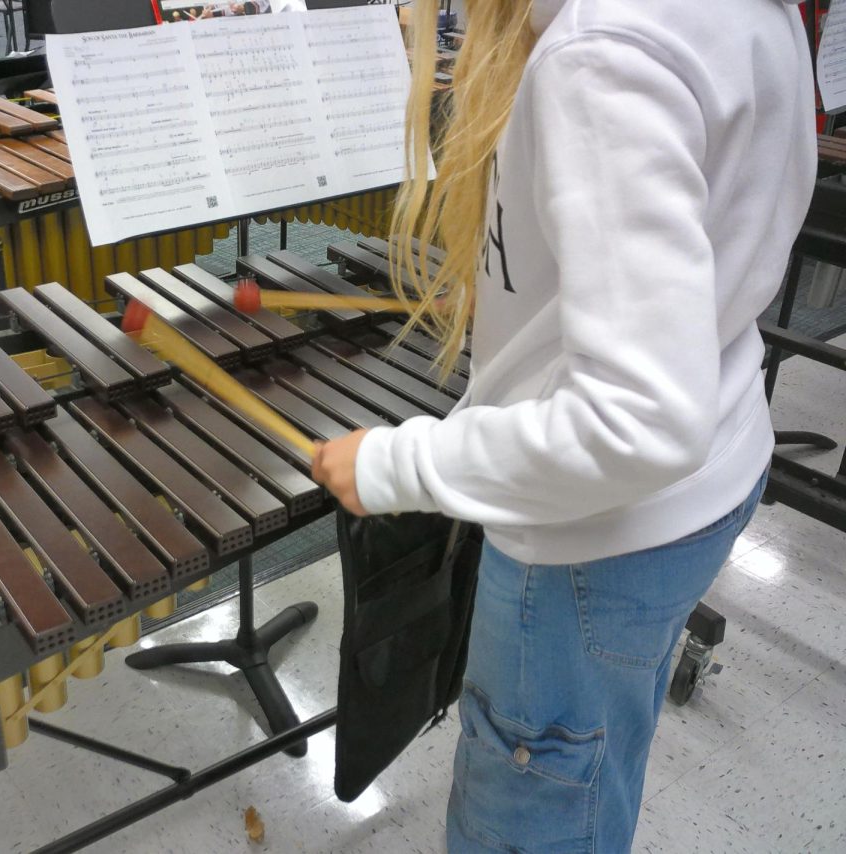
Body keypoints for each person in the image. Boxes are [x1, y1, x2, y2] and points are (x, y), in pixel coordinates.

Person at [311, 0, 814, 850]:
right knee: (593, 780)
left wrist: (400, 466)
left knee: (531, 821)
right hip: (702, 485)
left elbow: (639, 422)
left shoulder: (604, 50)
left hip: (588, 548)